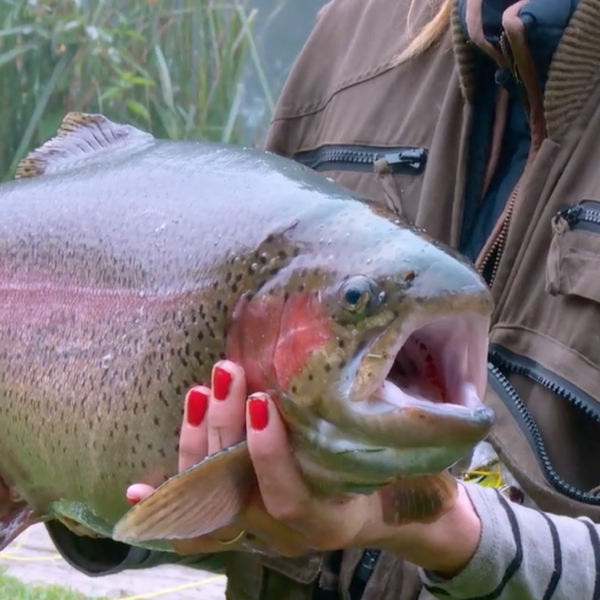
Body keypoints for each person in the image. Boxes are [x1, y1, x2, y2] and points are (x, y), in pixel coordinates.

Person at [41, 0, 600, 598]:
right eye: (358, 299)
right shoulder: (353, 31)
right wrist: (71, 486)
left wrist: (453, 532)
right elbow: (194, 388)